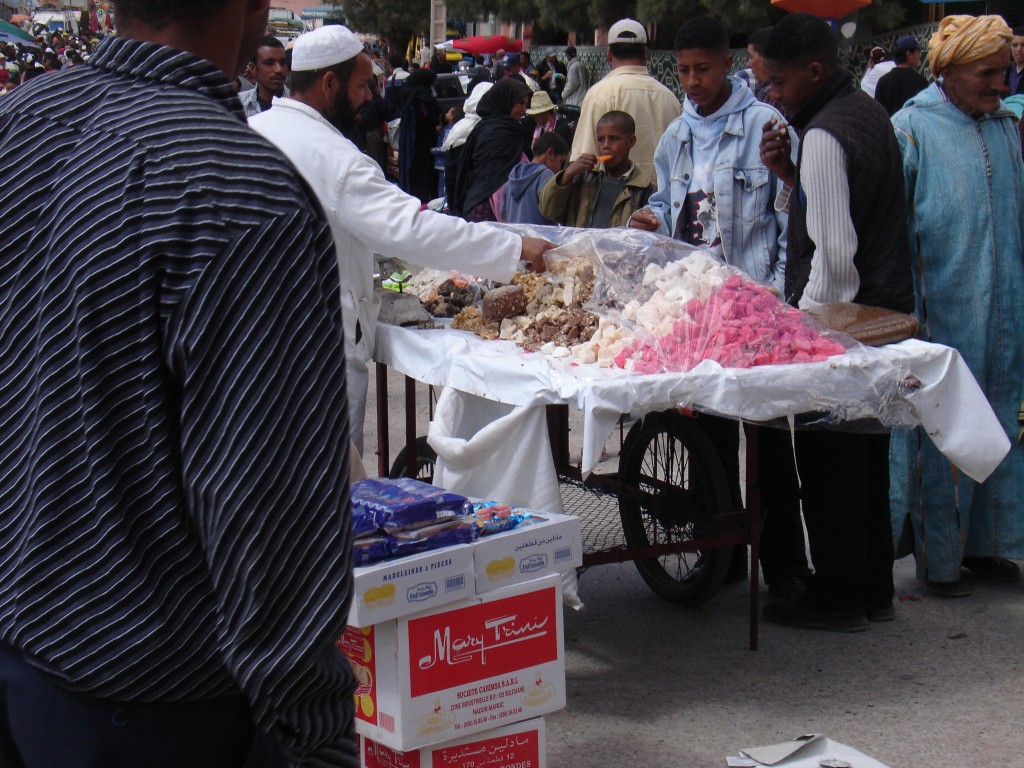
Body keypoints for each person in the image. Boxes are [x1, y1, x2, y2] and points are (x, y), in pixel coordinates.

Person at [0, 0, 361, 765]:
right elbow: (267, 500)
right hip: (156, 699)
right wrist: (314, 731)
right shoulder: (240, 190)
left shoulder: (23, 121)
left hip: (29, 646)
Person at [250, 27, 552, 452]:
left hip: (253, 341)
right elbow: (412, 229)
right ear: (329, 84)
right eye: (361, 86)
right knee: (329, 487)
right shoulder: (335, 159)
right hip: (316, 353)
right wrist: (515, 248)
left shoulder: (252, 130)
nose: (370, 97)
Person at [629, 15, 800, 597]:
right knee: (708, 436)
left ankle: (783, 572)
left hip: (751, 309)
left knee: (768, 441)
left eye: (703, 68)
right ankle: (717, 559)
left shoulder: (766, 127)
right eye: (683, 70)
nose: (693, 81)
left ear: (729, 63)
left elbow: (787, 217)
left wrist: (773, 297)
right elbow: (664, 200)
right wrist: (647, 217)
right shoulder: (677, 135)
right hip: (695, 312)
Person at [758, 13, 914, 631]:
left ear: (814, 72)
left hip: (845, 321)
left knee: (831, 463)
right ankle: (872, 586)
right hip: (880, 315)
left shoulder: (825, 135)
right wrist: (789, 178)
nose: (770, 94)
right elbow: (844, 208)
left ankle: (839, 595)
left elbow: (834, 257)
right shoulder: (865, 112)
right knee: (866, 457)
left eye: (777, 82)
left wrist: (811, 335)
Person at [889, 14, 1024, 598]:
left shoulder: (1006, 130)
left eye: (1005, 72)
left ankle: (990, 546)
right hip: (942, 314)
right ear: (948, 71)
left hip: (1007, 315)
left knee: (1002, 422)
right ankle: (940, 559)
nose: (999, 84)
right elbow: (895, 235)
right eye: (986, 73)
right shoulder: (911, 130)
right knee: (944, 432)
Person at [571, 18, 681, 181]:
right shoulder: (670, 98)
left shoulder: (599, 94)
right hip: (662, 202)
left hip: (614, 201)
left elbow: (584, 161)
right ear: (645, 54)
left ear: (609, 54)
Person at [539, 110, 653, 228]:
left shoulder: (643, 188)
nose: (605, 145)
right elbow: (548, 211)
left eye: (613, 139)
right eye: (600, 139)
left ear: (631, 141)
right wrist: (567, 175)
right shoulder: (582, 176)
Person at [447, 77, 533, 221]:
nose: (524, 109)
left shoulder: (485, 127)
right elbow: (499, 177)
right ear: (506, 101)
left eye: (526, 104)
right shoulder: (503, 132)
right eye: (520, 103)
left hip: (475, 205)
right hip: (491, 211)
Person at [502, 131, 568, 225]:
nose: (559, 168)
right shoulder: (546, 175)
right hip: (539, 237)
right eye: (560, 161)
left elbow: (504, 215)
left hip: (517, 237)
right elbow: (551, 208)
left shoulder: (512, 178)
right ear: (550, 153)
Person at [397, 67, 442, 204]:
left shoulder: (407, 92)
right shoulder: (421, 95)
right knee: (422, 174)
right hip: (422, 141)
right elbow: (428, 116)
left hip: (409, 138)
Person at [874, 35, 929, 116]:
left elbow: (878, 113)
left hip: (890, 127)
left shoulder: (883, 81)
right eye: (918, 52)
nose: (920, 55)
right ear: (909, 54)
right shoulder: (920, 81)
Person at [240, 35, 288, 117]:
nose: (279, 69)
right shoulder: (239, 104)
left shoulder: (300, 104)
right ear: (253, 68)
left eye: (282, 63)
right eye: (269, 63)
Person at [521, 89, 573, 159]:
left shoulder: (561, 129)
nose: (533, 116)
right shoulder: (537, 127)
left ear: (545, 112)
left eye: (536, 113)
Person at [433, 105, 463, 198]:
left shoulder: (448, 130)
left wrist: (433, 150)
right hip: (446, 164)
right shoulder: (451, 128)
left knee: (443, 188)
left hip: (444, 164)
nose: (446, 114)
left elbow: (445, 147)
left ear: (452, 117)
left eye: (448, 112)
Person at [1005, 25, 1024, 95]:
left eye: (1023, 45)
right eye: (1015, 45)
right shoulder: (1006, 70)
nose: (1019, 49)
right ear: (1010, 46)